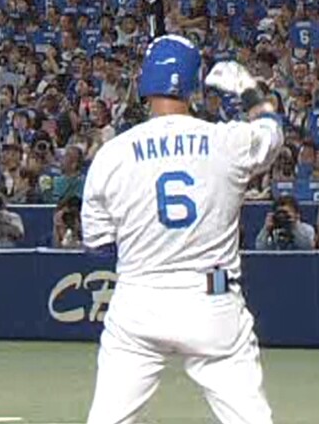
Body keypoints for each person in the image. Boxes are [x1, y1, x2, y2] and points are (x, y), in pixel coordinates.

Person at [79, 34, 284, 424]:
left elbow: (98, 246)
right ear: (194, 85)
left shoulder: (112, 154)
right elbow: (272, 133)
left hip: (139, 299)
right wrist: (250, 91)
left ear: (144, 84)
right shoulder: (227, 140)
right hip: (211, 299)